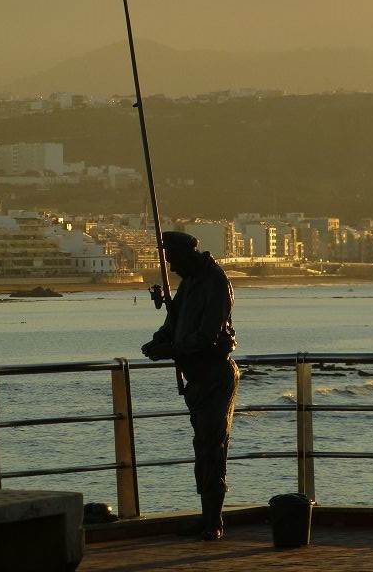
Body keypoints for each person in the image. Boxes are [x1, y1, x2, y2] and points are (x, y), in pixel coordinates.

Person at [141, 231, 239, 541]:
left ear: (187, 255)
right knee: (202, 449)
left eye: (173, 260)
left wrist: (173, 350)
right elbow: (174, 324)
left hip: (215, 376)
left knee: (213, 449)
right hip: (197, 378)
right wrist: (160, 340)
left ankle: (214, 521)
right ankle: (207, 516)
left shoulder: (215, 281)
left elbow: (208, 334)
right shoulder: (191, 282)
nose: (171, 268)